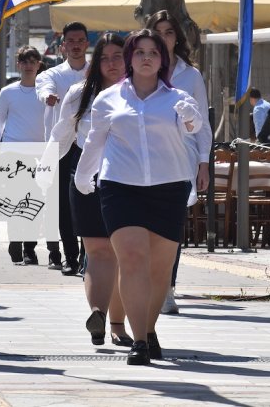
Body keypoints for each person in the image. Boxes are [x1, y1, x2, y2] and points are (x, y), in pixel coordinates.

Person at [74, 29, 203, 365]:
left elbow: (194, 127)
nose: (147, 57)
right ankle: (140, 342)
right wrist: (82, 177)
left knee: (159, 272)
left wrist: (190, 117)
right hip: (120, 187)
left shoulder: (176, 98)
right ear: (129, 58)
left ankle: (147, 328)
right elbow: (94, 142)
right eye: (139, 52)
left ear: (163, 60)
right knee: (132, 260)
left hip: (169, 187)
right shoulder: (108, 99)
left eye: (154, 52)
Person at [47, 33, 132, 347]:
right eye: (105, 57)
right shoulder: (79, 93)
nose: (111, 64)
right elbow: (61, 135)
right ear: (97, 62)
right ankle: (99, 315)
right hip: (85, 177)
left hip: (128, 182)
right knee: (97, 252)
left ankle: (118, 325)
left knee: (123, 254)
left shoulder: (139, 94)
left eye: (118, 56)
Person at [145, 9, 212, 315]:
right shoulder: (139, 70)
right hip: (143, 156)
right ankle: (144, 284)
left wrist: (203, 162)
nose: (164, 37)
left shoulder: (191, 74)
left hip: (182, 157)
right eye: (158, 31)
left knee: (172, 226)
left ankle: (166, 288)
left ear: (177, 37)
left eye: (169, 31)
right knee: (144, 226)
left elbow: (204, 123)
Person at [35, 22, 90, 274]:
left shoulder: (96, 73)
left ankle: (87, 253)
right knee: (63, 204)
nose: (76, 45)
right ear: (63, 45)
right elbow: (42, 89)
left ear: (87, 43)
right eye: (71, 41)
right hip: (60, 147)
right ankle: (70, 256)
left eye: (80, 40)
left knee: (88, 200)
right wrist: (48, 97)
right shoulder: (52, 75)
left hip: (89, 147)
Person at [0, 46, 46, 266]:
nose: (29, 65)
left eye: (33, 61)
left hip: (39, 155)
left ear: (39, 65)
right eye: (25, 61)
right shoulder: (8, 92)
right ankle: (15, 240)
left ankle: (30, 248)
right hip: (13, 154)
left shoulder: (46, 92)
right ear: (19, 64)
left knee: (36, 202)